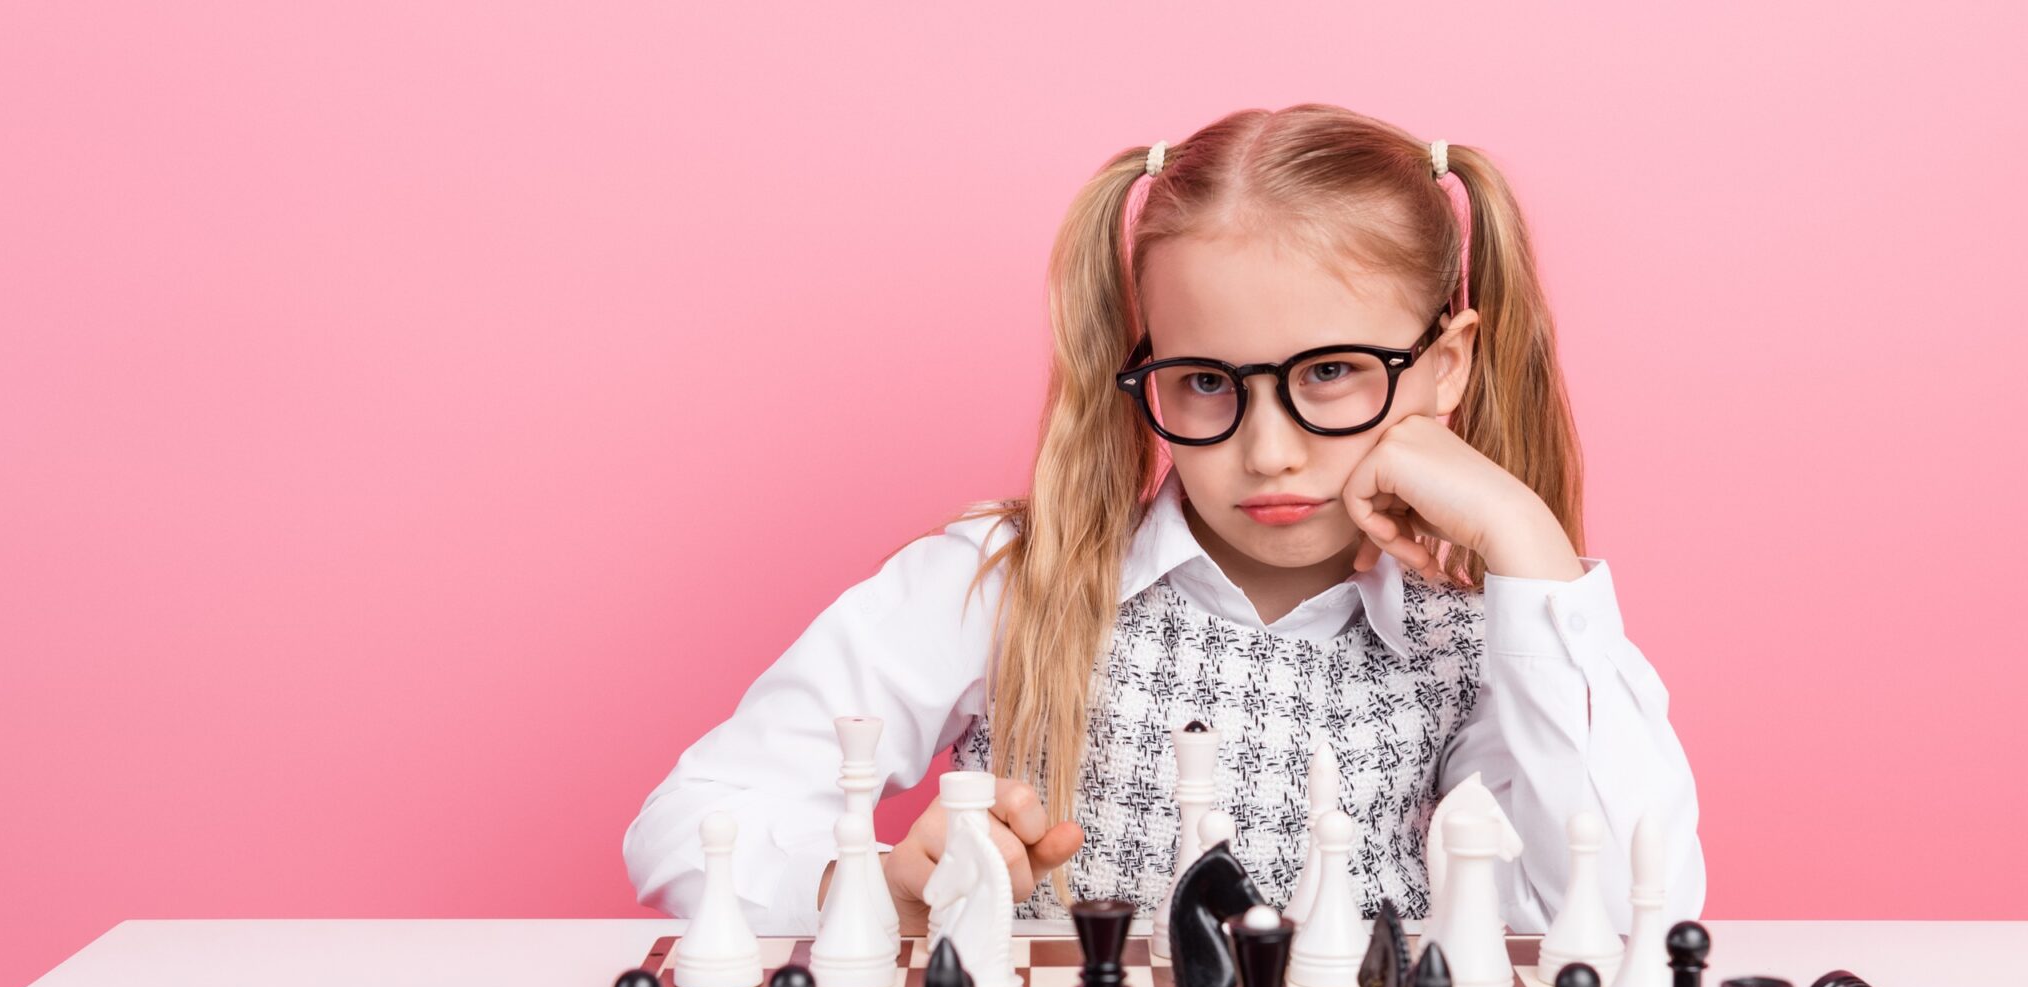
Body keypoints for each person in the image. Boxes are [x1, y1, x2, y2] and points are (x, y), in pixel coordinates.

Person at [625, 105, 1706, 940]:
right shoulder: (1004, 581)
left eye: (1330, 373)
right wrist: (869, 891)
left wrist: (1526, 542)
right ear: (1142, 371)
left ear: (1443, 369)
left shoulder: (1479, 635)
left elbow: (1621, 915)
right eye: (1201, 382)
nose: (1267, 449)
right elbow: (687, 817)